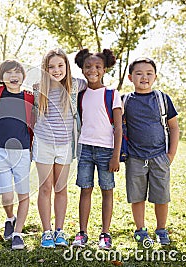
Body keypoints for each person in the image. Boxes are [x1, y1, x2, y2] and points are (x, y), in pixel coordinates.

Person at [33, 48, 86, 248]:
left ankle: (60, 231)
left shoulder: (76, 85)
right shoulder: (39, 88)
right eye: (51, 67)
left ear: (67, 67)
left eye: (60, 65)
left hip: (65, 145)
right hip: (44, 143)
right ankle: (46, 232)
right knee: (45, 188)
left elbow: (97, 83)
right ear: (45, 69)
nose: (56, 70)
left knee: (61, 188)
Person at [72, 49, 122, 250]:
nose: (93, 70)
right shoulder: (80, 95)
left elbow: (118, 127)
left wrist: (116, 156)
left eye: (97, 67)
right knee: (85, 189)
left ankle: (105, 234)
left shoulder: (112, 94)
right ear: (82, 69)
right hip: (85, 149)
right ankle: (82, 233)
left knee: (106, 191)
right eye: (88, 66)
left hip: (106, 151)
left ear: (104, 69)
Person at [125, 57, 179, 245]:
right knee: (137, 196)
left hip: (159, 156)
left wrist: (170, 155)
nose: (144, 77)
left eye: (149, 73)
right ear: (131, 77)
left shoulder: (162, 99)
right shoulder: (125, 101)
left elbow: (174, 127)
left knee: (161, 196)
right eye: (139, 73)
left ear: (155, 77)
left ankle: (161, 230)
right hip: (135, 157)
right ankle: (140, 230)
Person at [0, 59, 35, 250]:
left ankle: (18, 233)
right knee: (7, 196)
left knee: (23, 194)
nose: (13, 76)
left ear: (23, 76)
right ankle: (9, 218)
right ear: (1, 78)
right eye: (8, 73)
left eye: (17, 72)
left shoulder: (29, 97)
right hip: (0, 150)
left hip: (23, 150)